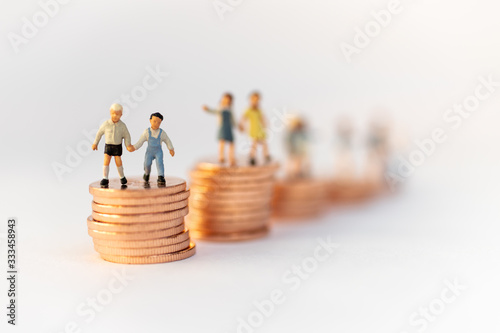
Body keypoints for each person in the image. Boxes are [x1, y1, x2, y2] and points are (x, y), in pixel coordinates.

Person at [92, 103, 133, 186]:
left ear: (121, 115)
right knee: (106, 161)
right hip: (108, 146)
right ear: (110, 112)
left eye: (117, 114)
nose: (115, 116)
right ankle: (105, 178)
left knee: (118, 161)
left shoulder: (122, 126)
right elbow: (99, 133)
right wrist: (95, 143)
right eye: (113, 113)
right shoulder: (106, 124)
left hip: (117, 146)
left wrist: (128, 144)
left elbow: (127, 135)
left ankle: (122, 177)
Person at [129, 112, 175, 185]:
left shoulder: (162, 132)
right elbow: (140, 141)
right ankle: (146, 174)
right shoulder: (147, 132)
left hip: (158, 152)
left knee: (160, 163)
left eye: (159, 122)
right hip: (149, 152)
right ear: (150, 120)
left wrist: (171, 149)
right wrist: (134, 147)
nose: (156, 124)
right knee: (147, 164)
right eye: (154, 121)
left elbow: (167, 140)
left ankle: (161, 176)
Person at [202, 92, 236, 166]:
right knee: (222, 141)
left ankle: (231, 157)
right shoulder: (220, 108)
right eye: (225, 99)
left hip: (229, 126)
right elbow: (214, 111)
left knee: (231, 142)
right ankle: (221, 157)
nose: (226, 101)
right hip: (223, 126)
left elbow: (233, 119)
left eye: (228, 99)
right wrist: (207, 109)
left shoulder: (230, 109)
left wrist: (237, 125)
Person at [239, 91, 271, 165]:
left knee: (264, 143)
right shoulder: (248, 110)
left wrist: (265, 124)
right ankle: (252, 157)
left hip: (260, 129)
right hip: (253, 129)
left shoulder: (259, 110)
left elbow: (262, 118)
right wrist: (241, 125)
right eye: (254, 100)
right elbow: (243, 118)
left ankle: (266, 156)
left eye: (257, 100)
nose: (255, 102)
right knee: (254, 144)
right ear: (250, 100)